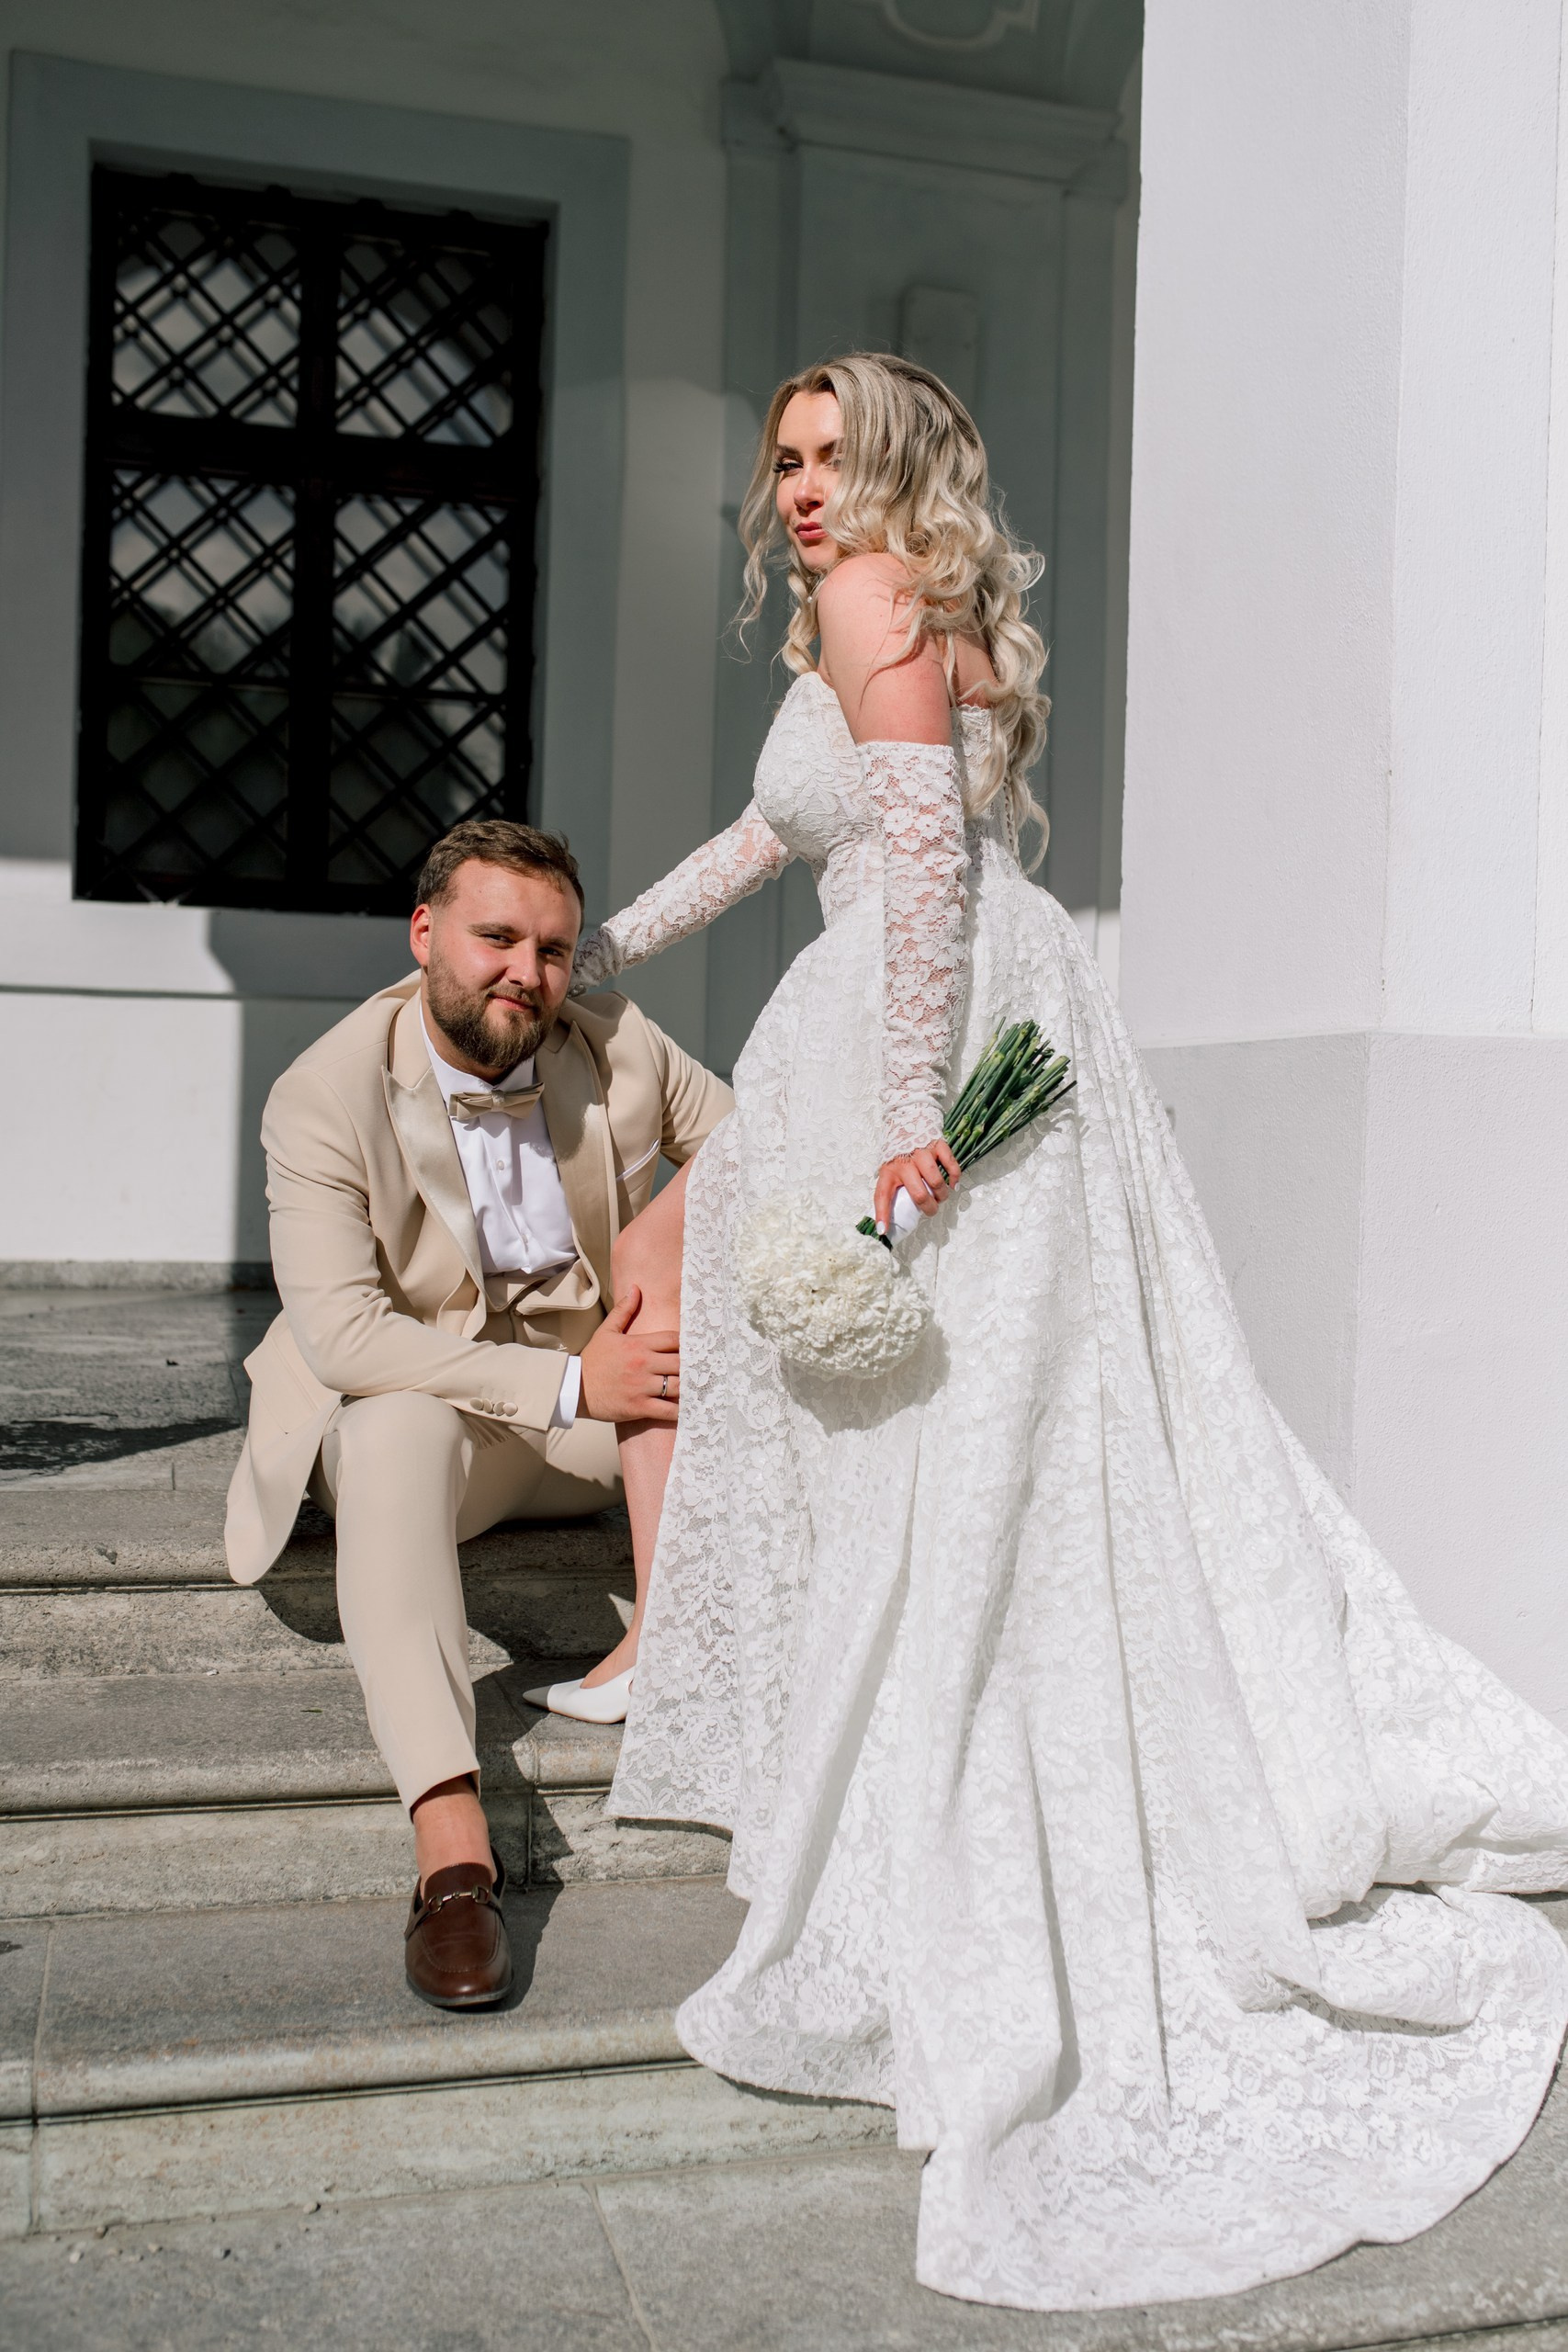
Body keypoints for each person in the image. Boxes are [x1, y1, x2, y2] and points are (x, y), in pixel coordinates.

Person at [551, 354, 1568, 2311]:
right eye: (777, 460)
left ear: (904, 468)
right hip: (931, 1005)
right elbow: (782, 839)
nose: (794, 490)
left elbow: (920, 874)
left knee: (934, 1423)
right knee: (964, 1434)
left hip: (914, 1032)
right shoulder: (891, 611)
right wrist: (621, 941)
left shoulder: (874, 606)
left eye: (830, 457)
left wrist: (912, 1136)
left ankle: (897, 1763)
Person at [223, 819, 730, 2009]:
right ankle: (454, 1852)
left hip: (577, 1417)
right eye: (497, 936)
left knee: (685, 1331)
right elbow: (346, 1335)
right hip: (423, 1420)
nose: (527, 972)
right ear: (425, 933)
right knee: (392, 1420)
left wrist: (659, 1235)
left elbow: (759, 1142)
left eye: (553, 949)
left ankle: (701, 1653)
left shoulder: (618, 1045)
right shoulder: (328, 1092)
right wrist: (567, 1385)